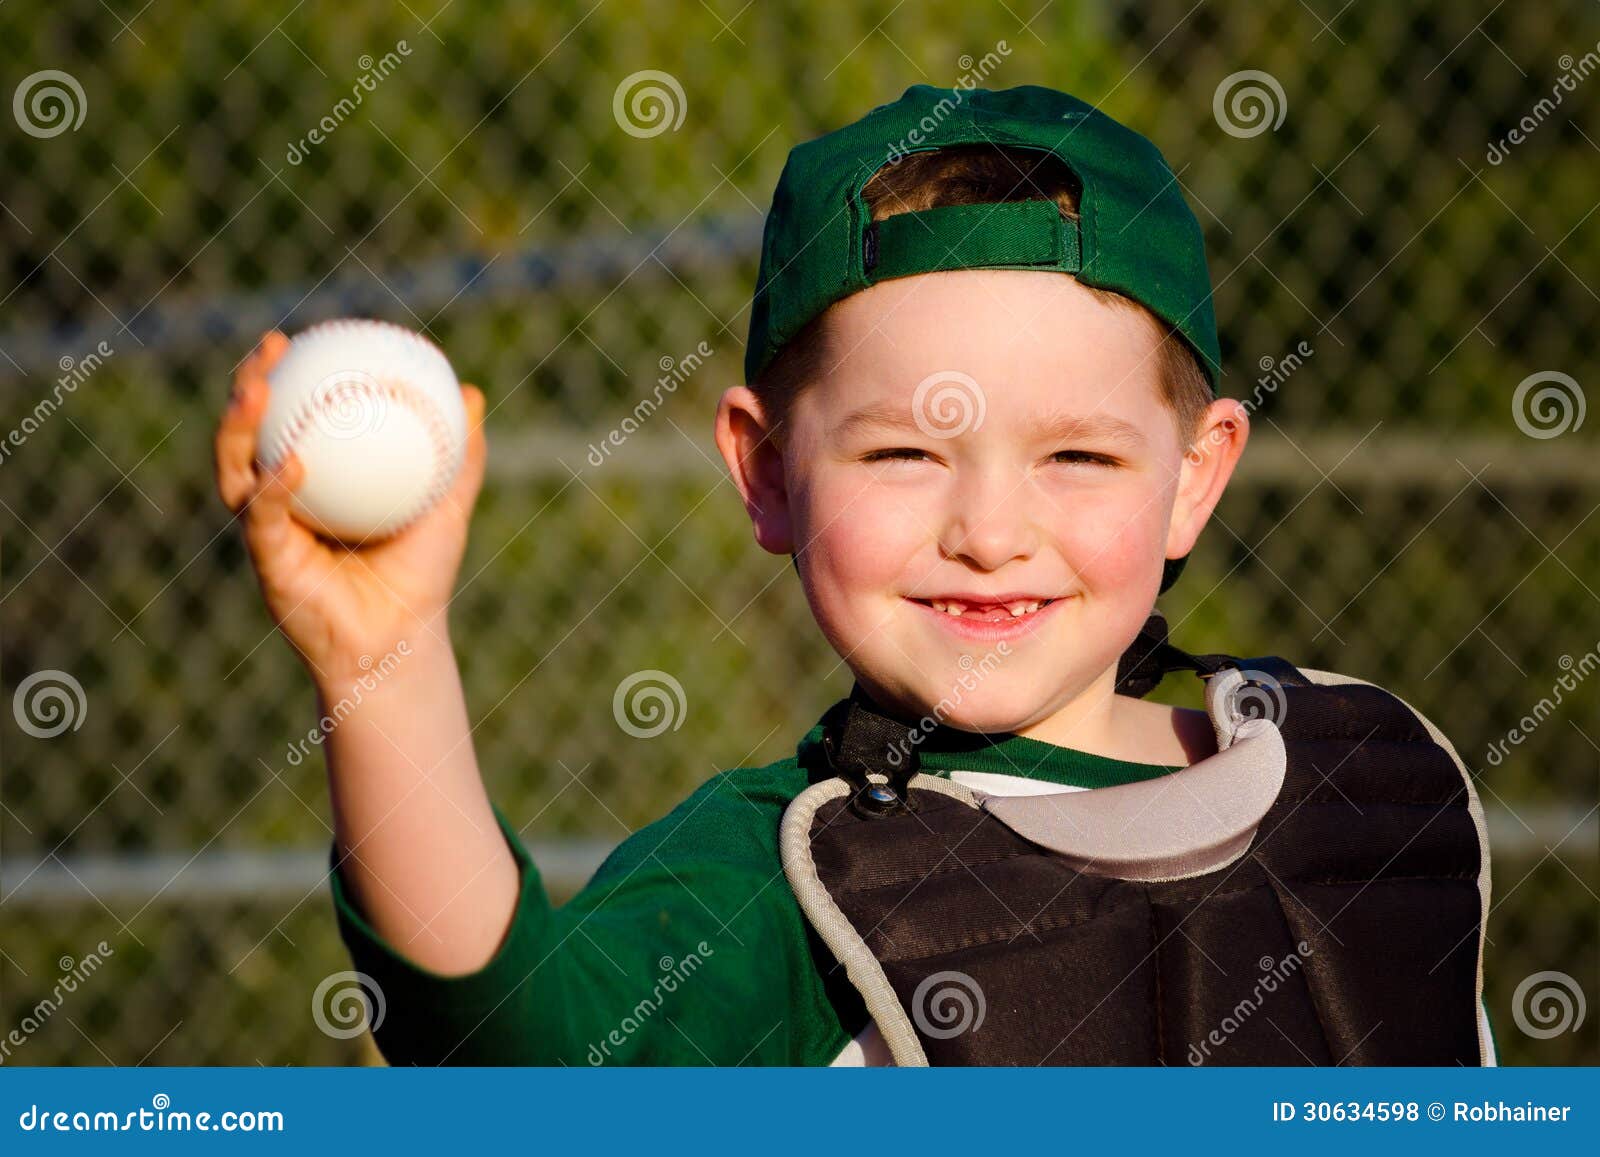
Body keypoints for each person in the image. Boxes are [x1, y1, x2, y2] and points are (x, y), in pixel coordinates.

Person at [214, 83, 1494, 1066]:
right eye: (903, 451)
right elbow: (514, 1051)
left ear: (1196, 475)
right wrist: (378, 659)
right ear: (767, 473)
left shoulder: (1364, 783)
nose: (990, 530)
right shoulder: (781, 873)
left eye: (1076, 454)